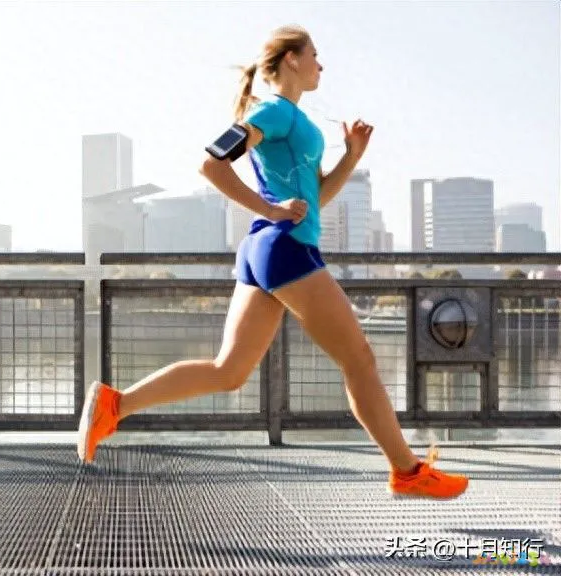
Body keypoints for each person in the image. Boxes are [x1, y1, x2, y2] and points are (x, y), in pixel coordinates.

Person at [77, 24, 468, 499]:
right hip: (284, 249)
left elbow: (314, 198)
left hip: (268, 249)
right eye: (315, 55)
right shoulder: (274, 112)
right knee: (359, 358)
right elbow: (211, 164)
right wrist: (272, 209)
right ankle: (407, 471)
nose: (321, 65)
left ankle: (115, 406)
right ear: (291, 61)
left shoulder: (294, 123)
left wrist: (351, 156)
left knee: (229, 371)